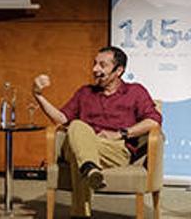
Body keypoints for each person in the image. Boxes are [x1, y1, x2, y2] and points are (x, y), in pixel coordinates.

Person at [32, 46, 161, 218]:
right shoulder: (84, 93)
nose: (95, 69)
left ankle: (81, 211)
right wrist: (38, 95)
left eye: (102, 65)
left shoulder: (135, 91)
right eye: (94, 64)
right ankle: (90, 167)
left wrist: (122, 133)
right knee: (77, 126)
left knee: (79, 151)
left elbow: (154, 120)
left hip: (114, 150)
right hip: (79, 144)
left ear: (119, 71)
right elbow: (61, 119)